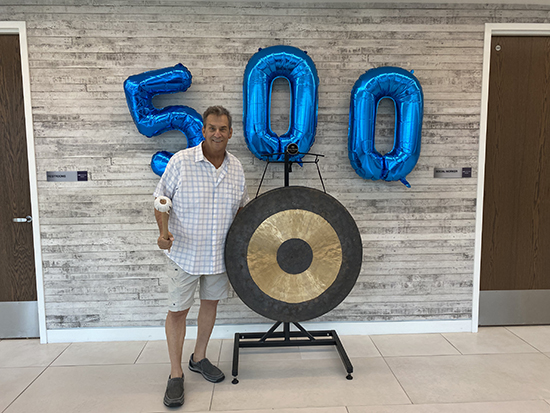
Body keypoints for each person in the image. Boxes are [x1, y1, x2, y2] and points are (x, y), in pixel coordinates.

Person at [153, 105, 249, 407]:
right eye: (211, 127)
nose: (217, 133)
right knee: (178, 311)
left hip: (220, 256)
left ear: (230, 132)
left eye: (222, 128)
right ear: (203, 130)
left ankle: (199, 357)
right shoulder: (181, 162)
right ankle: (176, 373)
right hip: (185, 253)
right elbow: (160, 200)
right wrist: (163, 232)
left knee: (210, 304)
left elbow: (242, 209)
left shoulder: (236, 168)